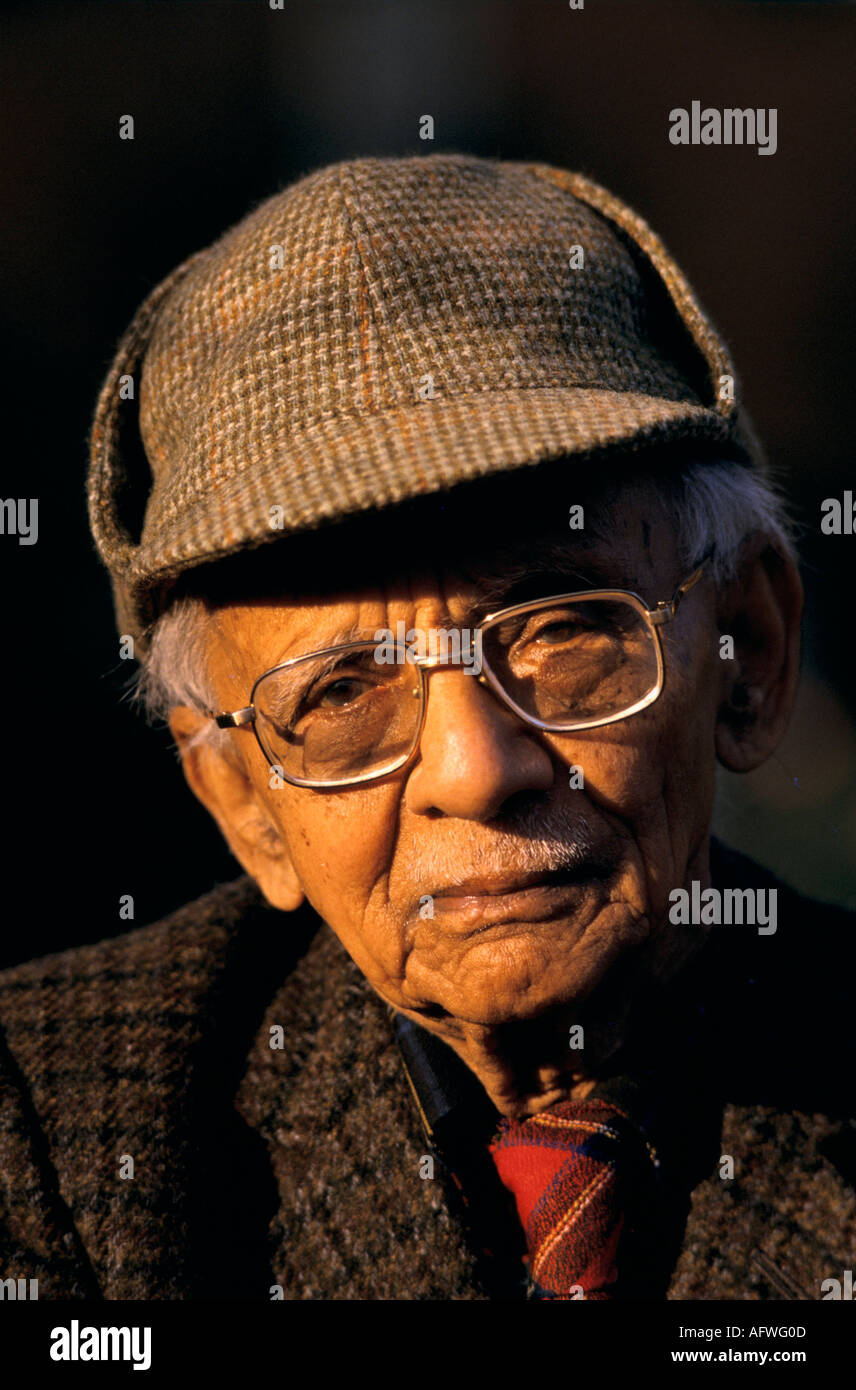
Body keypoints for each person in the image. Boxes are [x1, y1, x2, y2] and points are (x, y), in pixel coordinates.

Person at [1, 155, 853, 1301]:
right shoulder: (53, 1140)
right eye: (341, 692)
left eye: (560, 629)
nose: (476, 765)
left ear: (745, 651)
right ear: (242, 798)